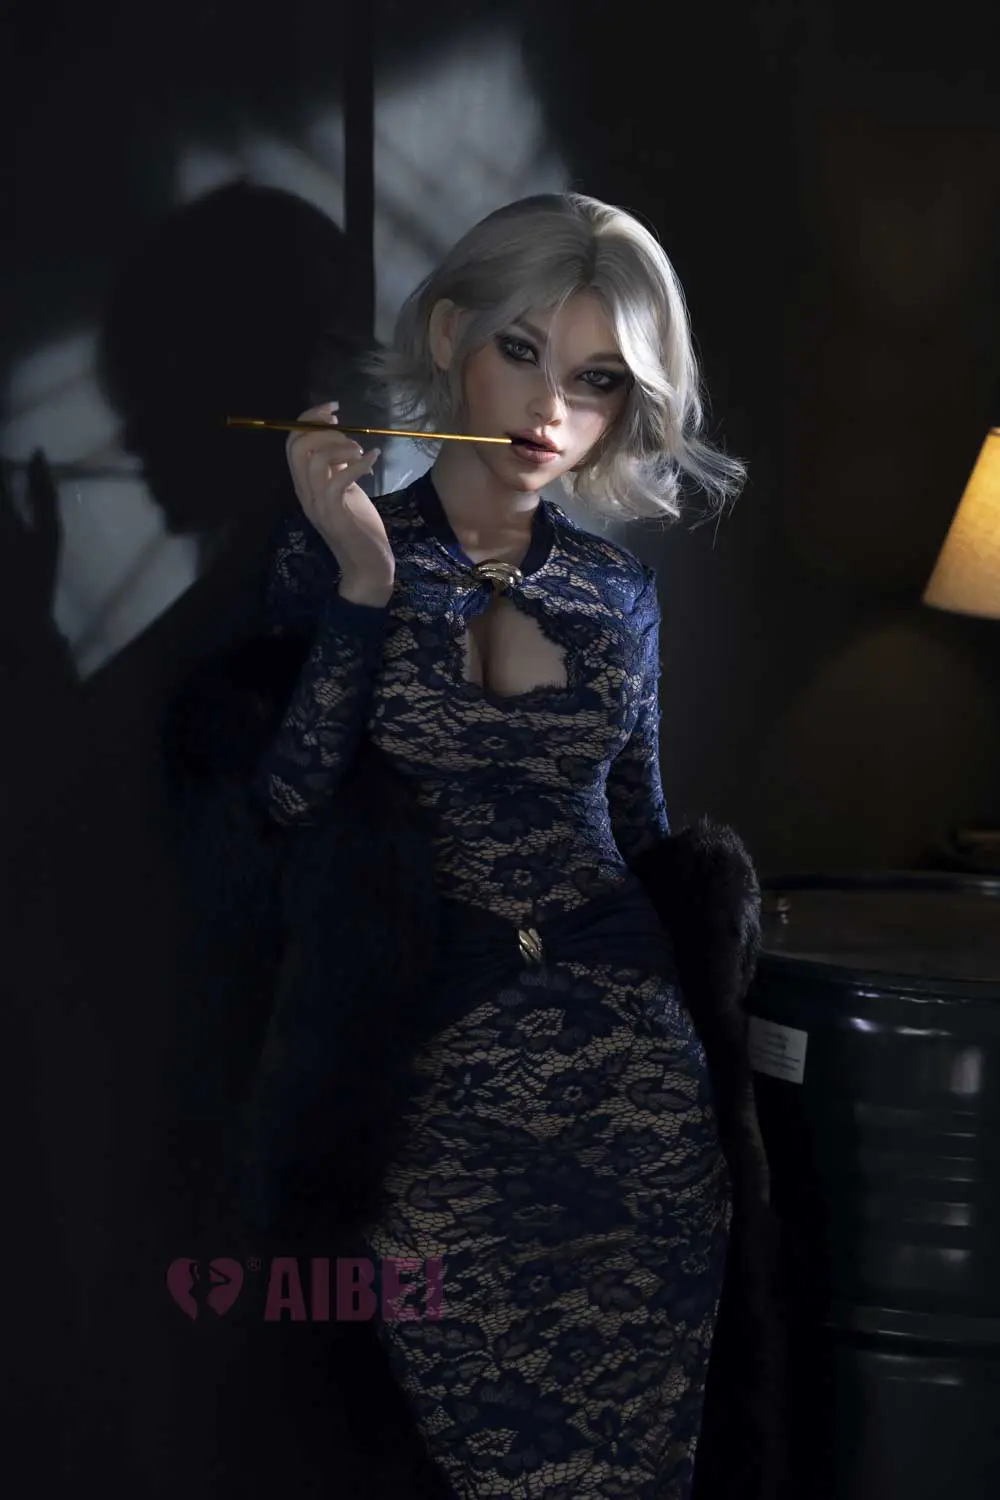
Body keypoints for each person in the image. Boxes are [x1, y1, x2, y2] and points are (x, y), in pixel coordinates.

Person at [163, 192, 780, 1499]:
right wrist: (363, 584)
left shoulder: (619, 592)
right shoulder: (341, 559)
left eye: (597, 380)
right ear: (450, 336)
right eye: (521, 350)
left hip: (636, 1086)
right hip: (442, 1082)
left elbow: (640, 827)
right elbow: (288, 803)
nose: (550, 409)